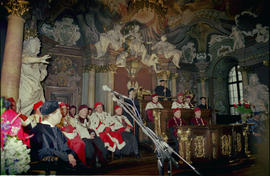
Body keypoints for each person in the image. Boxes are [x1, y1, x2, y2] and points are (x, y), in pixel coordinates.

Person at [29, 100, 89, 174]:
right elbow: (44, 152)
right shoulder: (39, 130)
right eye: (59, 113)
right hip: (50, 166)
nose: (61, 115)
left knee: (85, 169)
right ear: (51, 115)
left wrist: (70, 154)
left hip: (62, 160)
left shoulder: (56, 129)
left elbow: (65, 146)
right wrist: (67, 157)